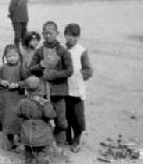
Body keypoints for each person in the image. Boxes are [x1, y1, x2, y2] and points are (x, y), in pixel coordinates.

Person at [27, 21, 73, 146]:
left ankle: (60, 144)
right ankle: (44, 144)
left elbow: (69, 70)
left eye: (50, 33)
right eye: (45, 33)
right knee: (43, 119)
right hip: (42, 93)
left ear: (57, 33)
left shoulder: (63, 51)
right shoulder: (39, 51)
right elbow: (30, 69)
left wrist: (53, 74)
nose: (48, 36)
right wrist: (39, 66)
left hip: (58, 92)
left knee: (61, 122)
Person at [64, 23, 93, 153]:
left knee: (77, 116)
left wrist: (80, 76)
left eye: (73, 36)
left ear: (78, 37)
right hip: (64, 88)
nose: (70, 38)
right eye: (68, 35)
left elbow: (88, 70)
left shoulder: (81, 51)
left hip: (76, 89)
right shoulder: (62, 49)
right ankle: (67, 137)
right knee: (65, 115)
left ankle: (77, 139)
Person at [0, 44, 27, 150]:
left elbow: (27, 80)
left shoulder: (22, 67)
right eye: (9, 56)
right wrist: (1, 81)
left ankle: (21, 141)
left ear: (19, 56)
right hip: (6, 98)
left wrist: (18, 84)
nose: (12, 58)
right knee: (7, 119)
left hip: (18, 97)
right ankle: (10, 140)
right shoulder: (2, 68)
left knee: (19, 119)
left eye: (14, 55)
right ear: (5, 57)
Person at [17, 76, 56, 164]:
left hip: (27, 135)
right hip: (42, 137)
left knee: (28, 156)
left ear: (26, 89)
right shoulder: (44, 103)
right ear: (40, 88)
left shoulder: (22, 102)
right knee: (42, 156)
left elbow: (18, 114)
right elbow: (50, 115)